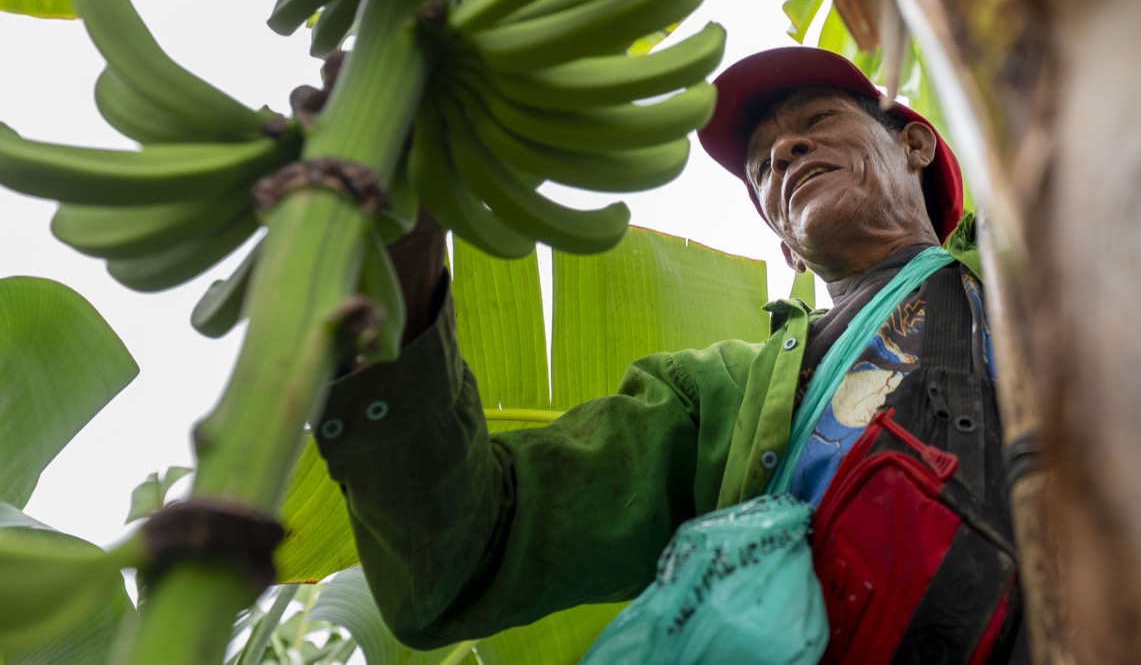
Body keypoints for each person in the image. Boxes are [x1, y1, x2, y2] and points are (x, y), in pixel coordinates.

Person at [313, 46, 1023, 661]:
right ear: (784, 242)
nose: (784, 154)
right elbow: (467, 549)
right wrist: (402, 266)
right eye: (763, 167)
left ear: (915, 145)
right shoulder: (724, 395)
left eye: (815, 122)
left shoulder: (1034, 247)